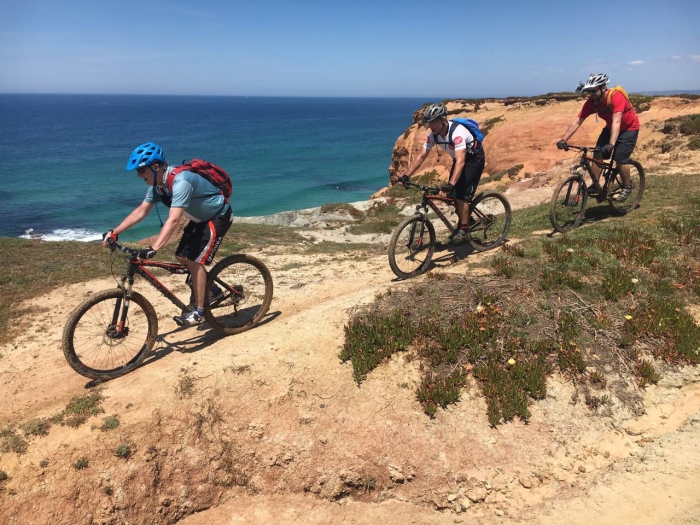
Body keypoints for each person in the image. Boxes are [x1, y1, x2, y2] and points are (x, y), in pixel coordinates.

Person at [102, 142, 233, 327]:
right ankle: (212, 290)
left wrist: (154, 248)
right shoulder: (158, 186)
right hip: (199, 219)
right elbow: (141, 211)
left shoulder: (181, 182)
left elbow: (174, 219)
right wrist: (114, 232)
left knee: (196, 261)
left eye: (141, 170)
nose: (138, 175)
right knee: (181, 256)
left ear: (156, 167)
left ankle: (199, 312)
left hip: (218, 216)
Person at [399, 102, 485, 243]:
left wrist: (451, 183)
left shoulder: (457, 133)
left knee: (462, 195)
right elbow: (421, 156)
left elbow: (461, 161)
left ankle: (464, 229)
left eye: (434, 122)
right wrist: (407, 174)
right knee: (452, 196)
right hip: (458, 160)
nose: (430, 126)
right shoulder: (433, 135)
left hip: (473, 159)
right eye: (429, 123)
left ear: (443, 120)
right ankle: (468, 219)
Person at [557, 73, 640, 201]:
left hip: (629, 128)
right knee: (597, 154)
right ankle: (596, 186)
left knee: (619, 158)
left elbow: (617, 121)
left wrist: (611, 144)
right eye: (589, 91)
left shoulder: (615, 97)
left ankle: (627, 186)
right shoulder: (592, 103)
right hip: (610, 128)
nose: (591, 94)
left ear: (603, 88)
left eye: (594, 91)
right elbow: (578, 120)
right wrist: (564, 139)